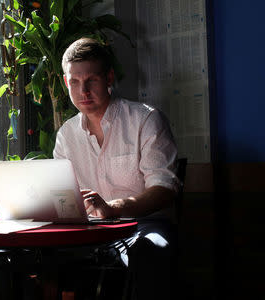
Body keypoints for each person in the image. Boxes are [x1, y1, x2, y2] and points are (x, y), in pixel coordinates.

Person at [53, 37, 180, 299]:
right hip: (88, 233)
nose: (83, 91)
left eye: (92, 80)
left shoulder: (145, 119)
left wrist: (113, 208)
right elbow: (59, 193)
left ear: (109, 77)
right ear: (66, 82)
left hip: (142, 226)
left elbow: (164, 189)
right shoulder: (66, 134)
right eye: (75, 82)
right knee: (6, 262)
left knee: (152, 252)